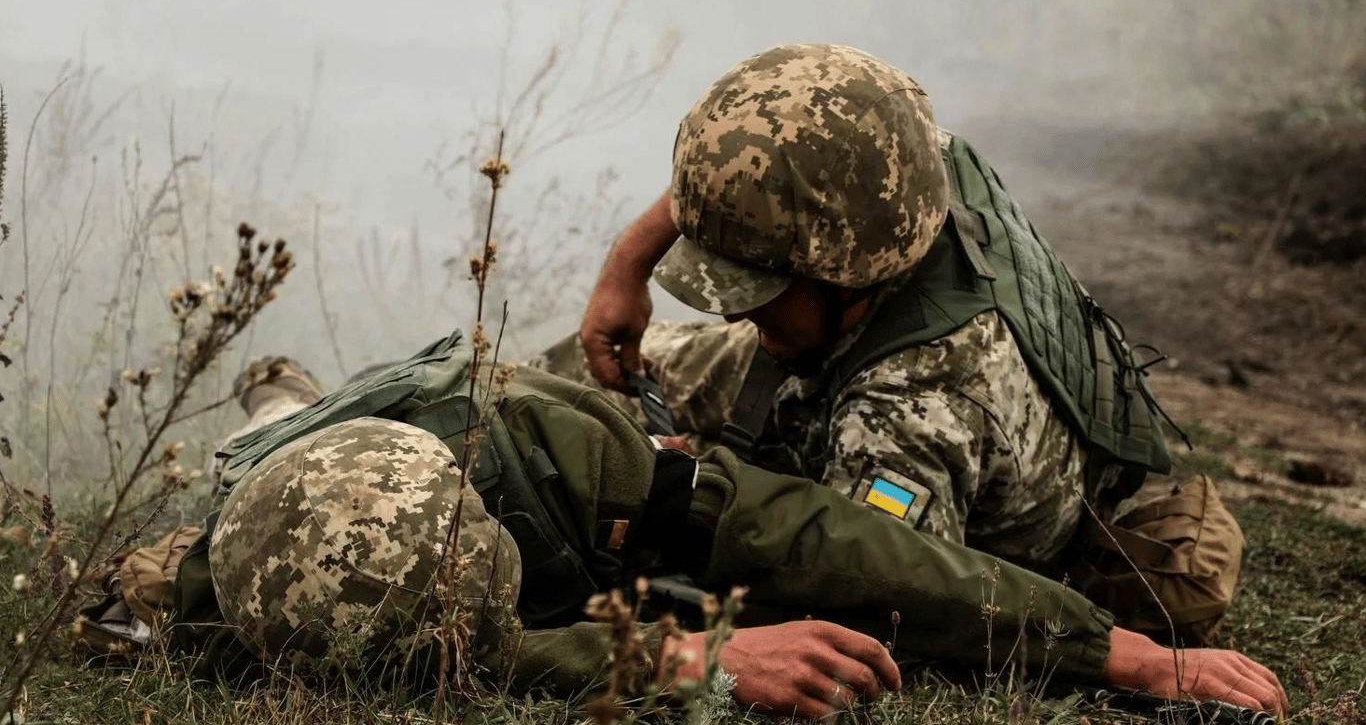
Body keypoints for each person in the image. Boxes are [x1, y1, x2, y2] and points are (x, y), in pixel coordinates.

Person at [177, 330, 1288, 720]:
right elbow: (461, 657)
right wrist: (671, 658)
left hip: (509, 413)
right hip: (299, 467)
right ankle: (281, 389)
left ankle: (288, 381)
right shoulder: (214, 589)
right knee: (276, 416)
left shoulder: (570, 455)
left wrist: (1113, 650)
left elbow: (826, 540)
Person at [538, 42, 1214, 621]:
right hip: (855, 350)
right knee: (573, 381)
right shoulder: (896, 172)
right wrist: (628, 265)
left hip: (959, 491)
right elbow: (759, 167)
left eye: (759, 289)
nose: (732, 313)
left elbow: (867, 604)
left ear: (844, 267)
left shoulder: (909, 415)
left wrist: (696, 505)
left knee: (614, 471)